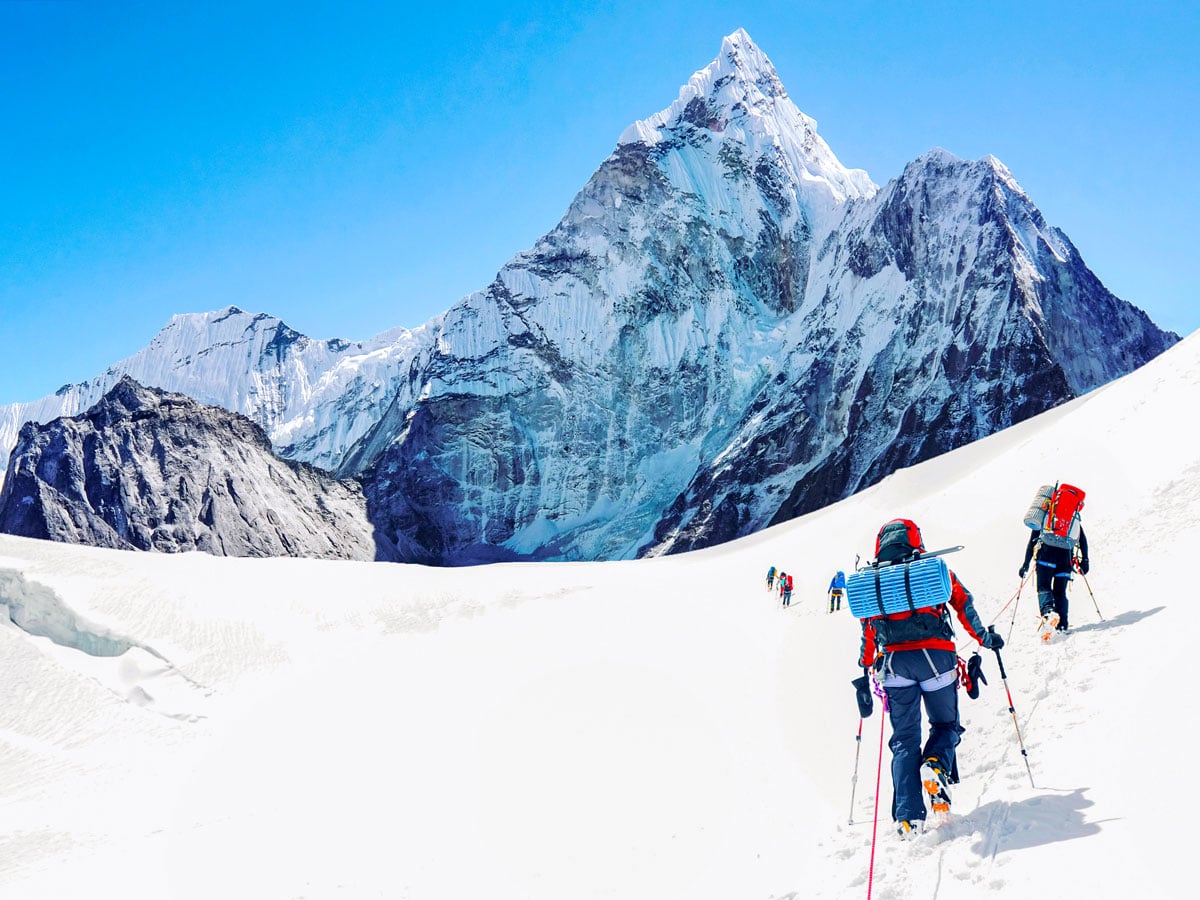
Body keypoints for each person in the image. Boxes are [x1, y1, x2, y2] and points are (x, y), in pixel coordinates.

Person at [855, 518, 1002, 839]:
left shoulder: (873, 581)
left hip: (894, 665)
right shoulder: (932, 570)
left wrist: (865, 667)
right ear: (915, 540)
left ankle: (908, 818)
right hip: (937, 660)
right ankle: (935, 765)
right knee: (946, 725)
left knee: (904, 740)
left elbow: (868, 630)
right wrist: (985, 639)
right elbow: (963, 603)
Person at [1019, 523, 1089, 633]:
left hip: (1046, 556)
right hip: (1065, 559)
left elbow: (1033, 539)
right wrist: (1085, 560)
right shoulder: (1071, 517)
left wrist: (1026, 564)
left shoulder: (1046, 515)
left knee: (1044, 587)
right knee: (1060, 592)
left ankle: (1048, 613)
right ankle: (1062, 626)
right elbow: (1082, 539)